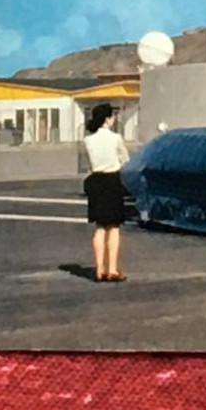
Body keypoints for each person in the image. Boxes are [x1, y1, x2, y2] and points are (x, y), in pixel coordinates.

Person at [82, 102, 130, 283]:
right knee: (114, 227)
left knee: (100, 227)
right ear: (107, 118)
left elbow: (88, 163)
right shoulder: (116, 138)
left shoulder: (87, 140)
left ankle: (99, 269)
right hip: (112, 180)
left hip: (96, 181)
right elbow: (125, 159)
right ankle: (112, 269)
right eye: (112, 116)